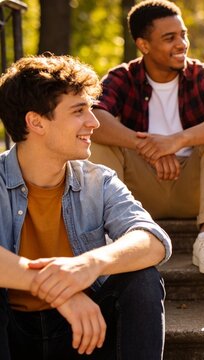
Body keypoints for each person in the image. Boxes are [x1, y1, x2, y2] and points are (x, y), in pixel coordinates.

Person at [0, 55, 171, 359]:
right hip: (11, 334)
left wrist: (89, 265)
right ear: (35, 121)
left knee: (142, 278)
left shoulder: (98, 180)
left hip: (85, 333)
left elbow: (152, 240)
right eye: (79, 111)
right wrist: (59, 288)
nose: (93, 122)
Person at [90, 0, 204, 275]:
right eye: (169, 38)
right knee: (99, 138)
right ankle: (113, 237)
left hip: (193, 189)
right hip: (138, 193)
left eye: (183, 35)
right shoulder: (123, 77)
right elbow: (92, 116)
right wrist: (147, 146)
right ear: (143, 45)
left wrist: (176, 141)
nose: (182, 44)